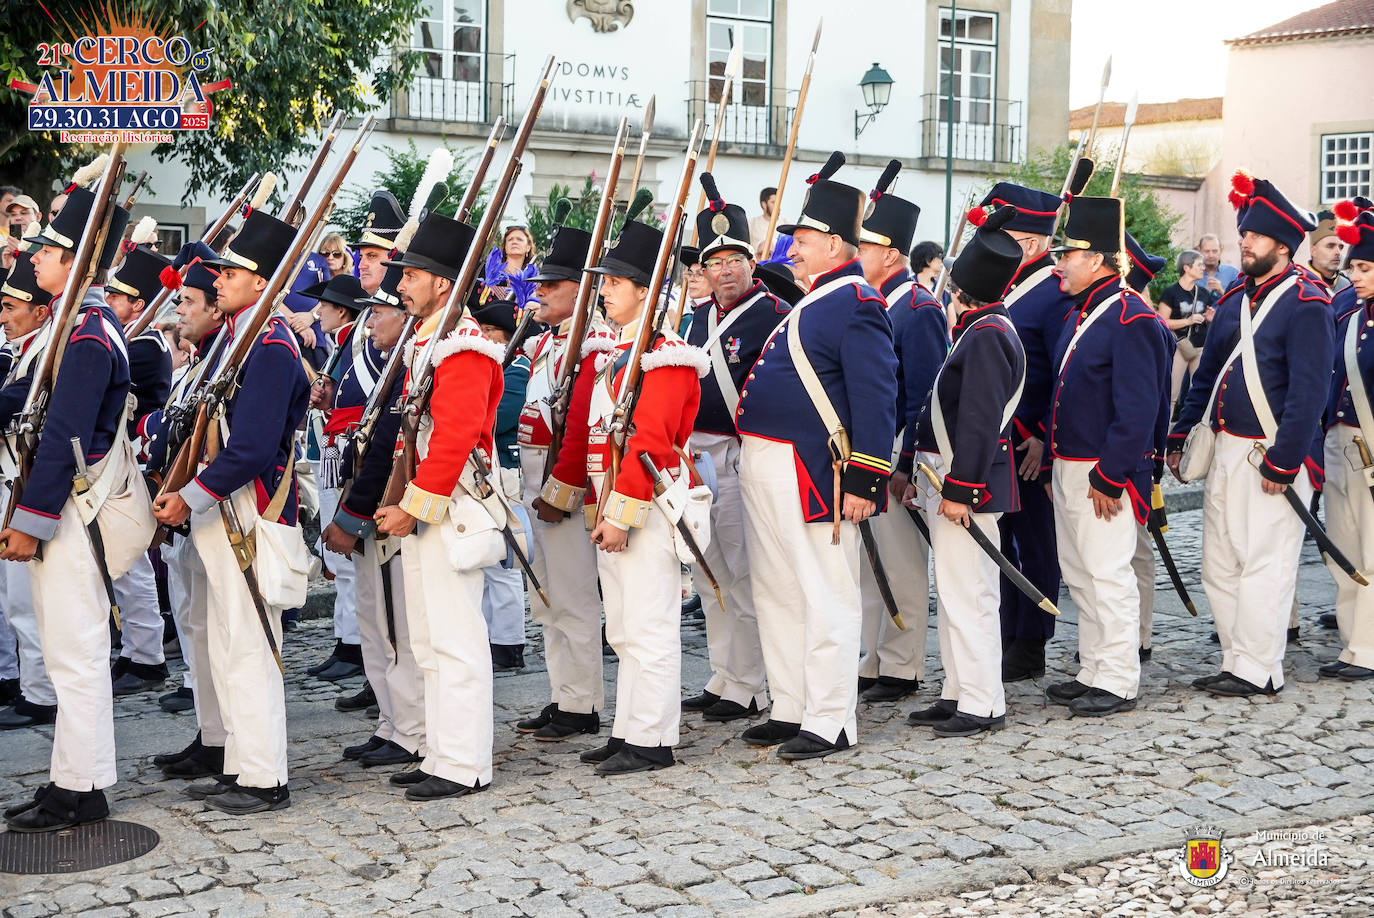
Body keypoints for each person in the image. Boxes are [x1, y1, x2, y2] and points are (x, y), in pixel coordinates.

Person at [735, 151, 898, 760]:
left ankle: (830, 718)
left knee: (825, 594)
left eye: (801, 239)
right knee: (778, 590)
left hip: (812, 471)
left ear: (835, 244)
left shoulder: (856, 302)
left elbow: (876, 399)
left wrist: (866, 479)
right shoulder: (815, 299)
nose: (791, 250)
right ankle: (794, 704)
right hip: (768, 463)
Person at [152, 208, 311, 814]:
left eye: (232, 271)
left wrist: (189, 496)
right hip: (224, 509)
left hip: (248, 508)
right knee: (224, 641)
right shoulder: (238, 337)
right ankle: (241, 761)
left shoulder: (267, 344)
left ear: (261, 279)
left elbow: (250, 446)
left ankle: (264, 776)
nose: (217, 280)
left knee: (248, 644)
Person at [0, 168, 132, 832]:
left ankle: (81, 791)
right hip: (59, 511)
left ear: (76, 261)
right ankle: (70, 780)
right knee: (64, 652)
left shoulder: (86, 333)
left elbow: (63, 437)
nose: (35, 259)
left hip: (69, 515)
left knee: (75, 655)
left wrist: (29, 521)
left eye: (47, 250)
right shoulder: (73, 325)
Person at [1167, 173, 1333, 698]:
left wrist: (1285, 462)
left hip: (1271, 451)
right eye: (1243, 234)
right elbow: (1209, 371)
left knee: (1266, 562)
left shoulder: (1308, 301)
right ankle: (1236, 658)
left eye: (1254, 237)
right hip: (1224, 446)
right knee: (1220, 562)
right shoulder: (1239, 296)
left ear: (1281, 245)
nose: (1244, 243)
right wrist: (1181, 431)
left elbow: (1310, 393)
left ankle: (1260, 668)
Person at [556, 212, 706, 775]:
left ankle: (653, 737)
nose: (604, 291)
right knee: (620, 626)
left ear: (646, 291)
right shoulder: (617, 351)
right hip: (612, 503)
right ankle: (628, 729)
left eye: (615, 283)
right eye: (605, 282)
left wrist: (619, 514)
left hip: (646, 506)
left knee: (649, 626)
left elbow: (649, 443)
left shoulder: (663, 355)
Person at [373, 209, 500, 801]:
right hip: (427, 506)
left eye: (412, 276)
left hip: (448, 509)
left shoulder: (465, 344)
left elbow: (453, 438)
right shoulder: (430, 340)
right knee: (427, 638)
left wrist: (415, 507)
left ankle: (465, 760)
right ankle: (439, 749)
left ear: (442, 283)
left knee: (455, 638)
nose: (400, 285)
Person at [1044, 195, 1170, 717]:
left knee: (1108, 573)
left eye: (1066, 255)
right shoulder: (1089, 312)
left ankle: (1118, 677)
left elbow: (1138, 408)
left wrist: (1112, 474)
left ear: (1095, 259)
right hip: (1070, 462)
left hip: (1103, 469)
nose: (1058, 265)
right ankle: (1094, 666)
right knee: (1080, 573)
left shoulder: (1130, 317)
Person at [904, 205, 1026, 736]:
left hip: (963, 481)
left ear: (963, 291)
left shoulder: (987, 335)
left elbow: (979, 421)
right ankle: (958, 689)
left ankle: (983, 701)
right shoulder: (980, 329)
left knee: (971, 592)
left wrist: (961, 489)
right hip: (944, 476)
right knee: (954, 590)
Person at [679, 173, 787, 722]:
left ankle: (753, 683)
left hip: (740, 455)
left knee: (745, 572)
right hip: (697, 455)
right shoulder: (696, 319)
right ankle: (725, 674)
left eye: (732, 258)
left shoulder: (774, 316)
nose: (722, 269)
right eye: (712, 261)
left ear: (751, 259)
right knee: (709, 570)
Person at [323, 260, 426, 771]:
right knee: (374, 623)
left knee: (396, 627)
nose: (368, 324)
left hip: (385, 510)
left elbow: (387, 449)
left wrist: (352, 515)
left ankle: (411, 729)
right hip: (369, 504)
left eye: (377, 313)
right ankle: (391, 721)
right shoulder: (391, 364)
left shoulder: (409, 368)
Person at [516, 215, 613, 744]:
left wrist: (560, 493)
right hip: (539, 484)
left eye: (553, 286)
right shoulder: (549, 342)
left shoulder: (593, 345)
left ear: (582, 290)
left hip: (564, 492)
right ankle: (562, 694)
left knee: (574, 599)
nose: (541, 293)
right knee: (548, 597)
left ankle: (583, 704)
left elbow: (580, 430)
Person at [306, 190, 406, 681]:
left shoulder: (395, 326)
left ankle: (372, 664)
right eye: (362, 255)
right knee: (354, 573)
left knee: (381, 581)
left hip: (372, 461)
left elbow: (386, 409)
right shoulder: (365, 324)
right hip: (344, 452)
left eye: (373, 256)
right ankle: (362, 656)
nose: (362, 264)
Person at [857, 162, 947, 704]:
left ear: (891, 253)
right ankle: (873, 656)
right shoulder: (868, 300)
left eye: (865, 245)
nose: (856, 253)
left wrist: (907, 461)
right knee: (870, 564)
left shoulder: (918, 307)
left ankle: (903, 663)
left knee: (902, 563)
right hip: (865, 448)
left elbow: (924, 395)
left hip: (895, 449)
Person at [977, 181, 1074, 682]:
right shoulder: (1006, 287)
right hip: (997, 436)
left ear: (1032, 245)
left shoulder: (1054, 290)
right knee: (1003, 539)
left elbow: (1061, 370)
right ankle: (1007, 628)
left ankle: (1032, 640)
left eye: (1005, 234)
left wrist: (1043, 434)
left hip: (1030, 438)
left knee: (1035, 542)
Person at [143, 243, 232, 777]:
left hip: (210, 509)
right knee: (196, 630)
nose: (180, 311)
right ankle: (212, 735)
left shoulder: (233, 352)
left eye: (189, 301)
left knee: (219, 634)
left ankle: (230, 744)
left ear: (215, 309)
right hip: (187, 515)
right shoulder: (203, 358)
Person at [103, 240, 177, 695]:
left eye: (118, 296)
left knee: (132, 562)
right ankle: (135, 649)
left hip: (134, 460)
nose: (109, 302)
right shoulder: (131, 338)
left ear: (138, 304)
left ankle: (147, 655)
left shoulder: (144, 346)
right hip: (116, 459)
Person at [0, 246, 59, 733]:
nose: (3, 317)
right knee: (14, 598)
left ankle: (42, 693)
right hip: (11, 478)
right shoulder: (22, 351)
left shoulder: (45, 351)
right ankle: (27, 683)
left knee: (28, 599)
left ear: (40, 311)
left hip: (28, 484)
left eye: (10, 307)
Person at [1321, 201, 1374, 680]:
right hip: (1338, 441)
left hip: (1372, 443)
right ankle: (1351, 639)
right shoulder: (1343, 307)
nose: (1353, 273)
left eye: (1364, 267)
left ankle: (1369, 647)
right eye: (1353, 266)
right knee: (1342, 547)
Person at [1122, 231, 1174, 662]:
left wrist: (1151, 460)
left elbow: (1154, 404)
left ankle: (1140, 636)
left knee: (1136, 551)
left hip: (1138, 458)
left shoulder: (1149, 325)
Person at [472, 299, 531, 672]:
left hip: (506, 472)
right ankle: (492, 637)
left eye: (490, 332)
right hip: (487, 469)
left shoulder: (516, 370)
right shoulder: (493, 368)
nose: (483, 337)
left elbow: (499, 417)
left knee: (506, 563)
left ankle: (508, 643)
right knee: (488, 560)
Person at [1157, 249, 1216, 407]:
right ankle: (1165, 430)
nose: (1203, 268)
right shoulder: (1171, 292)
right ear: (1187, 268)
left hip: (1200, 347)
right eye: (1199, 265)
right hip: (1179, 346)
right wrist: (1188, 321)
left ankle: (1191, 431)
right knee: (1171, 394)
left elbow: (1209, 319)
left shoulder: (1203, 293)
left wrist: (1210, 319)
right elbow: (1162, 322)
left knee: (1197, 393)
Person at [485, 225, 538, 304]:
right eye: (510, 240)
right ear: (505, 247)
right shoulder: (491, 273)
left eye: (519, 239)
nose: (514, 242)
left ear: (528, 247)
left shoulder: (534, 281)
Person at [1306, 212, 1352, 297]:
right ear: (1313, 251)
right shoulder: (1298, 283)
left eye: (1340, 247)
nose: (1338, 252)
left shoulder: (1348, 284)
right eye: (1330, 246)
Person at [1196, 233, 1240, 299]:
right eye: (1207, 251)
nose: (1211, 255)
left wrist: (1221, 291)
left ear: (1221, 250)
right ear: (1199, 251)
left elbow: (1238, 301)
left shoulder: (1233, 273)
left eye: (1215, 251)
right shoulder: (1193, 274)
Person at [749, 185, 778, 254]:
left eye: (778, 202)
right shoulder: (751, 224)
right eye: (773, 202)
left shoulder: (785, 225)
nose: (777, 206)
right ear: (764, 204)